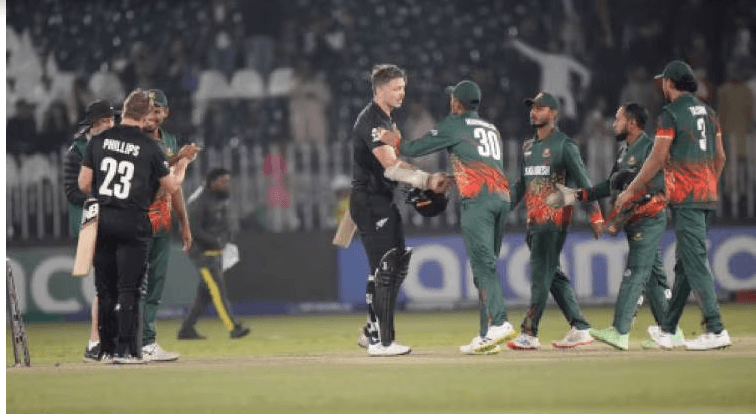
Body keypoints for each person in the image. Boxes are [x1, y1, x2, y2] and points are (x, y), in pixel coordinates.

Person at [376, 80, 517, 355]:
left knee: (483, 266)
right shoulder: (492, 129)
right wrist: (458, 177)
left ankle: (500, 323)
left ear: (456, 103)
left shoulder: (454, 124)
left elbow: (415, 148)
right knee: (484, 270)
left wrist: (394, 140)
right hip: (501, 198)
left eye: (452, 98)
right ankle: (486, 335)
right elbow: (485, 164)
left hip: (478, 202)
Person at [616, 60, 731, 351]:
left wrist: (630, 190)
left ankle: (716, 329)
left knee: (693, 261)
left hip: (686, 199)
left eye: (663, 82)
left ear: (670, 83)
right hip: (705, 196)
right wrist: (709, 186)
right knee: (684, 263)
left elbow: (655, 159)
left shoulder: (670, 114)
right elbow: (721, 158)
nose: (662, 87)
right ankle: (667, 329)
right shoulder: (709, 112)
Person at [549, 103, 681, 350]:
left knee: (635, 273)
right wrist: (575, 196)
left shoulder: (650, 148)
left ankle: (620, 331)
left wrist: (632, 194)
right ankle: (671, 331)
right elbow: (610, 186)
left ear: (632, 122)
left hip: (648, 218)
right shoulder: (624, 151)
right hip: (633, 220)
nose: (613, 124)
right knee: (653, 278)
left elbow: (661, 182)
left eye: (618, 119)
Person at [78, 89, 191, 364]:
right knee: (130, 289)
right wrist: (183, 164)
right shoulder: (150, 146)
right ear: (143, 116)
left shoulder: (100, 140)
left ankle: (103, 349)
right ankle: (125, 351)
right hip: (134, 222)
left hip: (104, 220)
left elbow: (83, 184)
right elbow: (172, 186)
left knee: (105, 289)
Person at [350, 64, 449, 356]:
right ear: (380, 90)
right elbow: (391, 167)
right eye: (396, 88)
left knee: (385, 268)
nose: (402, 93)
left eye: (404, 87)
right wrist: (426, 180)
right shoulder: (373, 121)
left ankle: (371, 332)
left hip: (378, 199)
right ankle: (383, 342)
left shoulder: (387, 121)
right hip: (370, 202)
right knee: (387, 268)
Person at [507, 91, 604, 350]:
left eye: (540, 108)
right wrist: (502, 208)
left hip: (554, 220)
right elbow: (521, 183)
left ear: (553, 114)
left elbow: (585, 183)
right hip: (533, 221)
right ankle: (580, 327)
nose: (533, 112)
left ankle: (529, 333)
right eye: (532, 107)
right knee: (552, 275)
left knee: (540, 276)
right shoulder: (528, 147)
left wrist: (595, 215)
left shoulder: (564, 145)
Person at [139, 89, 199, 362]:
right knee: (131, 281)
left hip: (161, 217)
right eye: (148, 108)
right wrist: (179, 158)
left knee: (156, 282)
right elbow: (150, 169)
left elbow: (173, 186)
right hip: (136, 215)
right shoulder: (134, 137)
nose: (152, 113)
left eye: (157, 109)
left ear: (165, 113)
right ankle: (123, 340)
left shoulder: (171, 140)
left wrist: (184, 223)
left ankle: (147, 342)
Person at [63, 99, 116, 362]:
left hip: (113, 221)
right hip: (91, 224)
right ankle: (96, 341)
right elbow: (72, 192)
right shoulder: (77, 151)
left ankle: (104, 340)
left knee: (112, 284)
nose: (110, 125)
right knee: (105, 285)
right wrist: (103, 200)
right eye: (105, 120)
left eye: (111, 120)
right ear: (94, 125)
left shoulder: (114, 148)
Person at [177, 168, 251, 340]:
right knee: (217, 290)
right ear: (212, 182)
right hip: (201, 254)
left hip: (216, 251)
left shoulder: (219, 198)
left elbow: (225, 223)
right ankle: (233, 327)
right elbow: (191, 229)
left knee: (205, 294)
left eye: (228, 181)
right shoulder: (198, 201)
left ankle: (186, 330)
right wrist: (214, 241)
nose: (227, 185)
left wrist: (226, 239)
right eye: (223, 181)